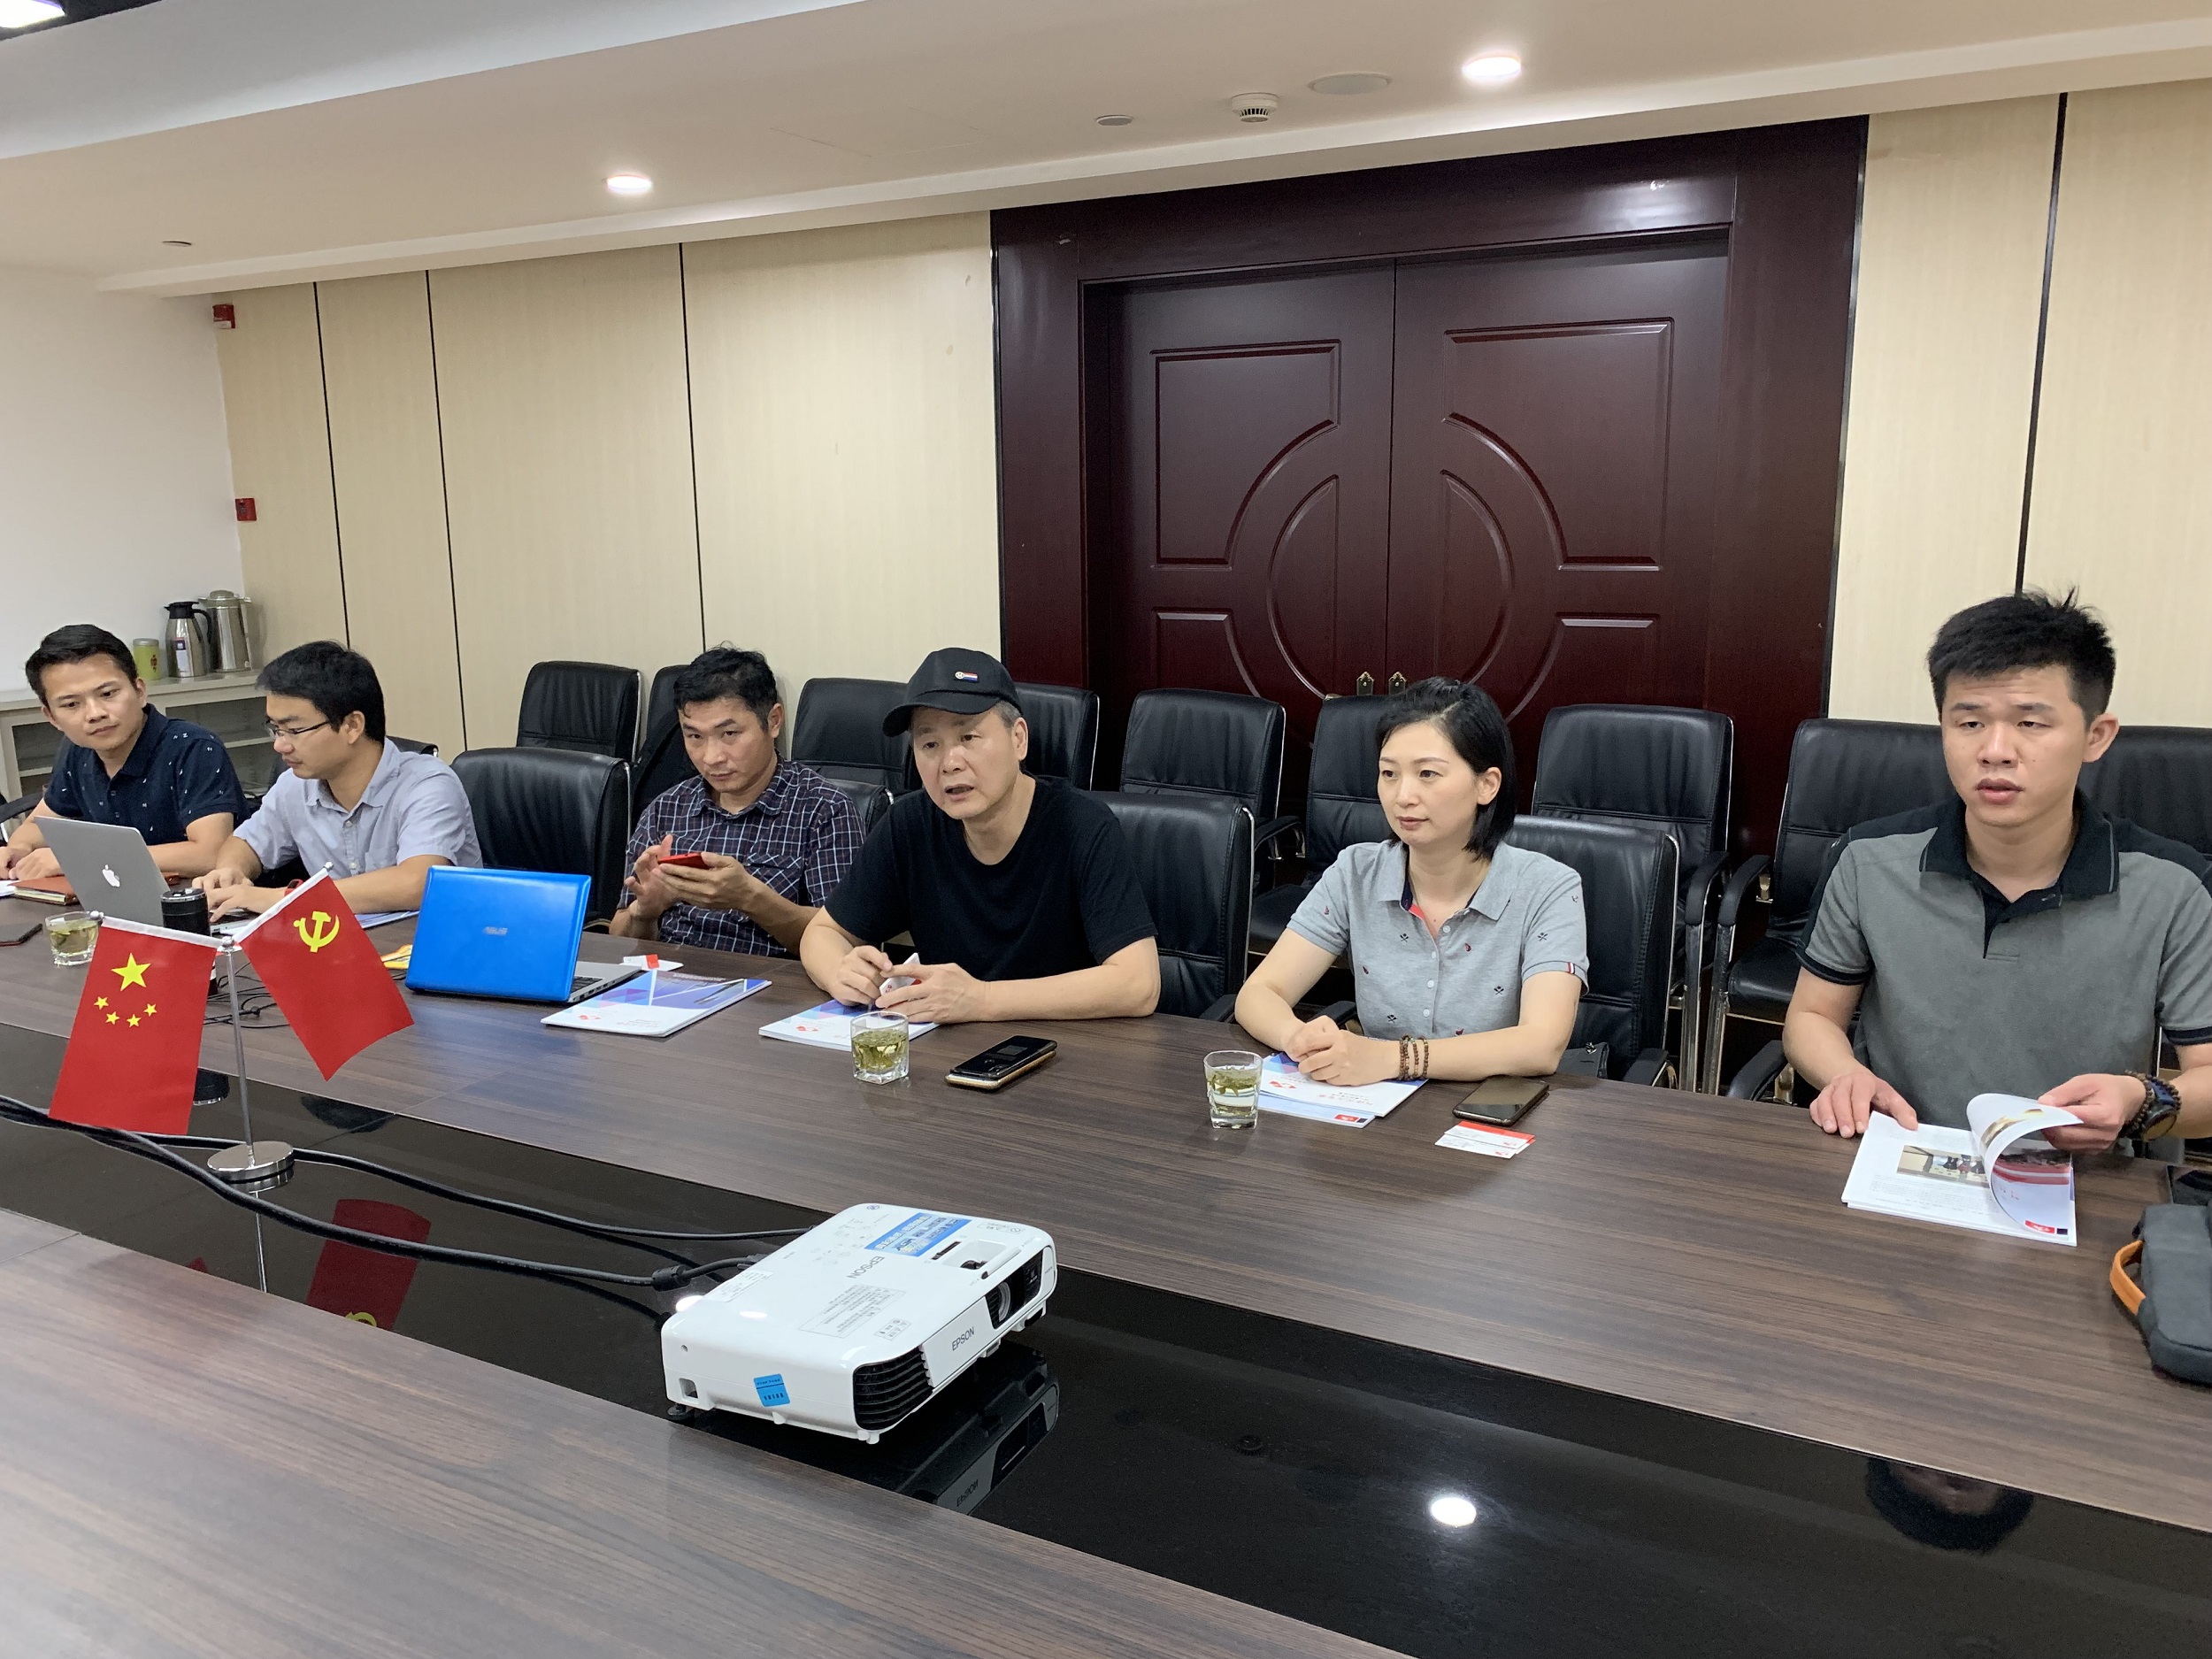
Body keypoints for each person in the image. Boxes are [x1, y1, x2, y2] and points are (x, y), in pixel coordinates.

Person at [1786, 590, 2212, 1147]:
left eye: (2030, 723)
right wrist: (1846, 1075)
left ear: (2096, 736)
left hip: (2084, 1174)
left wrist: (2141, 1102)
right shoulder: (1868, 860)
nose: (1995, 750)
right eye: (1969, 723)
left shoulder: (2175, 887)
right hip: (1904, 1154)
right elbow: (1813, 1016)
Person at [1236, 678, 1585, 1084]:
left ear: (1487, 785)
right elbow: (1259, 994)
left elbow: (1542, 1044)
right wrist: (1299, 1039)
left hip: (1489, 1108)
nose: (1403, 795)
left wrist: (1394, 1059)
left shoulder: (1548, 888)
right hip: (1376, 1104)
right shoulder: (1357, 872)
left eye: (1427, 774)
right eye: (1389, 773)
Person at [799, 648, 1159, 1023]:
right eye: (930, 745)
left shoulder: (1083, 826)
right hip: (948, 1046)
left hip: (1064, 1045)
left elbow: (1139, 984)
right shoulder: (909, 824)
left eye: (968, 737)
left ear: (1018, 739)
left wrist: (982, 999)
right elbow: (821, 933)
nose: (950, 763)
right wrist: (842, 973)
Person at [195, 641, 480, 917]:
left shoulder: (427, 784)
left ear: (352, 726)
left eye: (294, 730)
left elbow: (416, 883)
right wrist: (231, 870)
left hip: (434, 941)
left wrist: (281, 899)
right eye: (276, 729)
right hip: (348, 941)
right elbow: (245, 843)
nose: (280, 745)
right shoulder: (295, 785)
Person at [611, 648, 864, 956]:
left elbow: (846, 941)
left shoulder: (825, 810)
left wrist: (750, 897)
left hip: (771, 981)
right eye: (694, 737)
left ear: (773, 721)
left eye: (729, 733)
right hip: (669, 977)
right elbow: (620, 940)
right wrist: (644, 912)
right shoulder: (666, 809)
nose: (711, 757)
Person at [0, 625, 246, 880]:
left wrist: (80, 858)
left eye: (108, 694)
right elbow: (39, 824)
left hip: (200, 897)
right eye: (72, 704)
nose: (95, 714)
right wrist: (17, 849)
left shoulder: (192, 746)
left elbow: (211, 855)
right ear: (51, 717)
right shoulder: (79, 750)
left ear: (139, 691)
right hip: (120, 892)